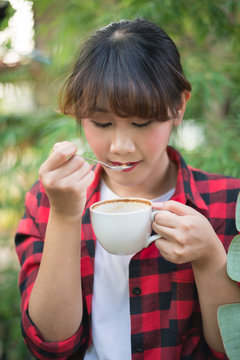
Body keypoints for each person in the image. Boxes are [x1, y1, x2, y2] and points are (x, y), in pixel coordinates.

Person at [15, 18, 240, 360]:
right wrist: (64, 215)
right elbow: (51, 345)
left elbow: (231, 351)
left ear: (179, 106)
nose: (119, 146)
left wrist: (209, 256)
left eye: (141, 122)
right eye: (101, 123)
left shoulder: (229, 203)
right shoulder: (50, 199)